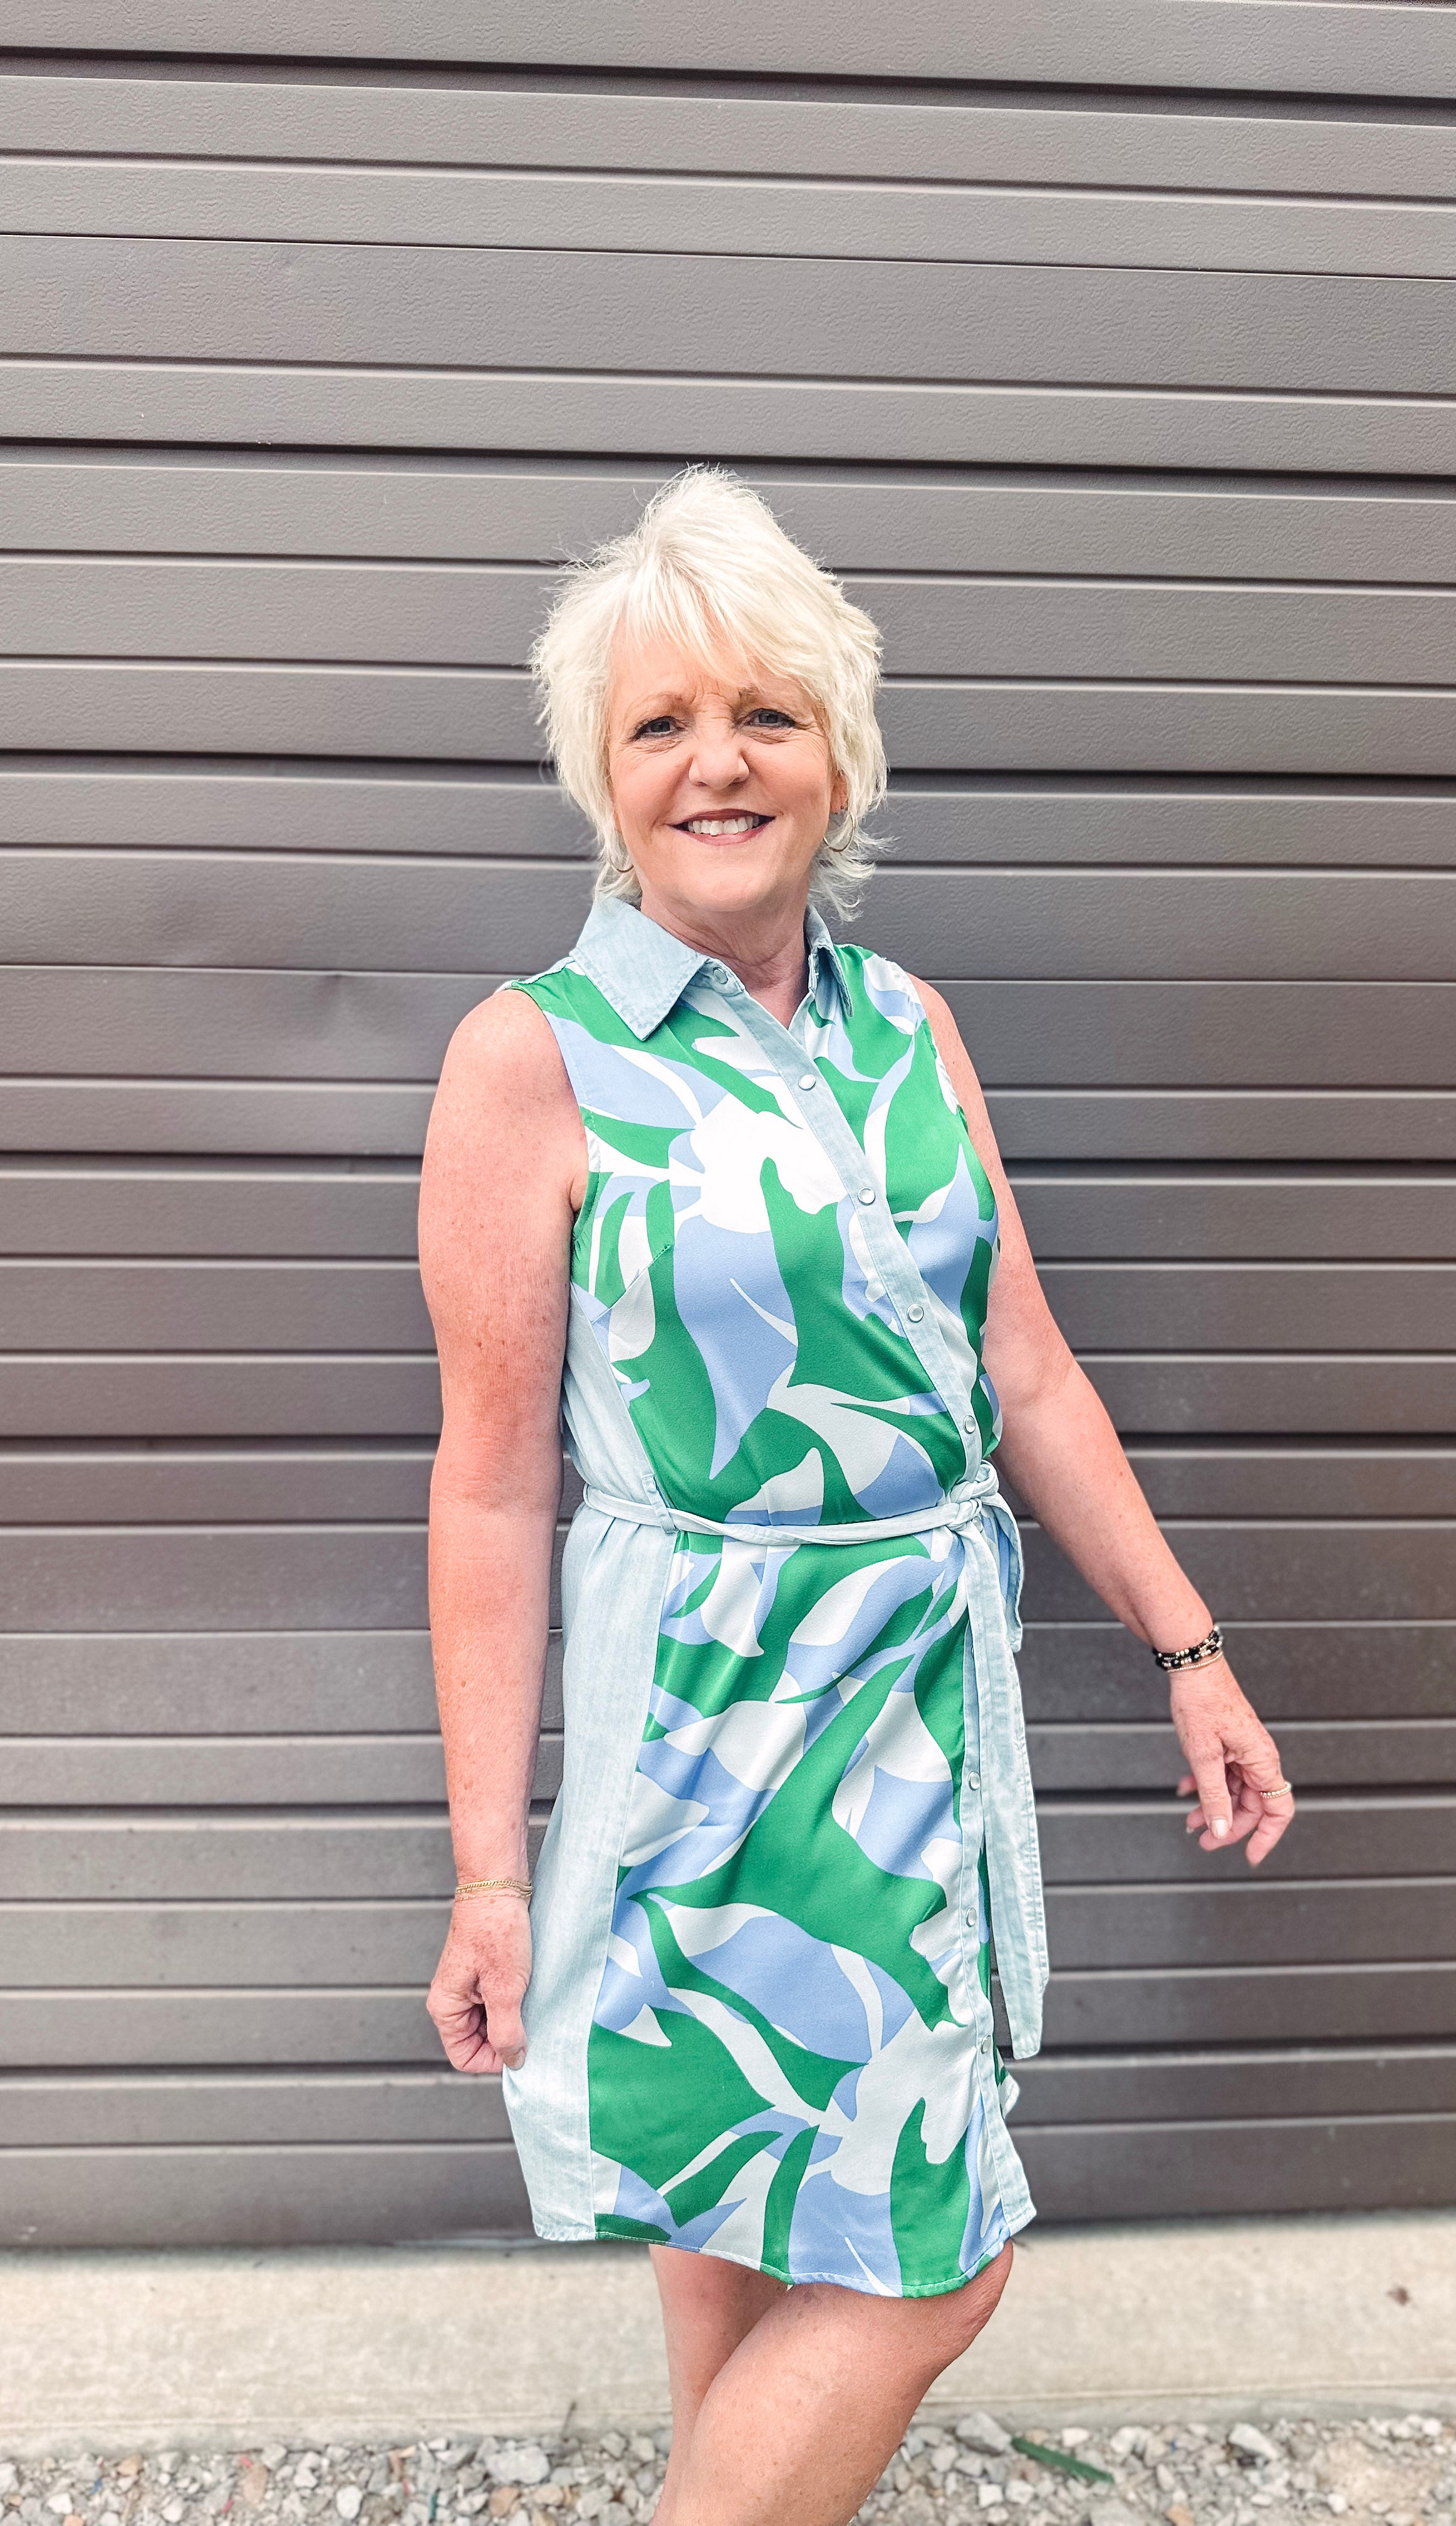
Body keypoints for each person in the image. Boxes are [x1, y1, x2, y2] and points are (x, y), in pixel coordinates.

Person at [418, 470, 1297, 2526]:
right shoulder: (532, 1059)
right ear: (604, 777)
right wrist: (487, 1874)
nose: (717, 762)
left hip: (902, 1711)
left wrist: (1190, 1652)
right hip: (697, 1729)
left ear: (839, 751)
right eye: (661, 724)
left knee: (810, 2234)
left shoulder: (911, 1029)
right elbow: (492, 1491)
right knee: (897, 2253)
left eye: (767, 713)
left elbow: (1027, 1374)